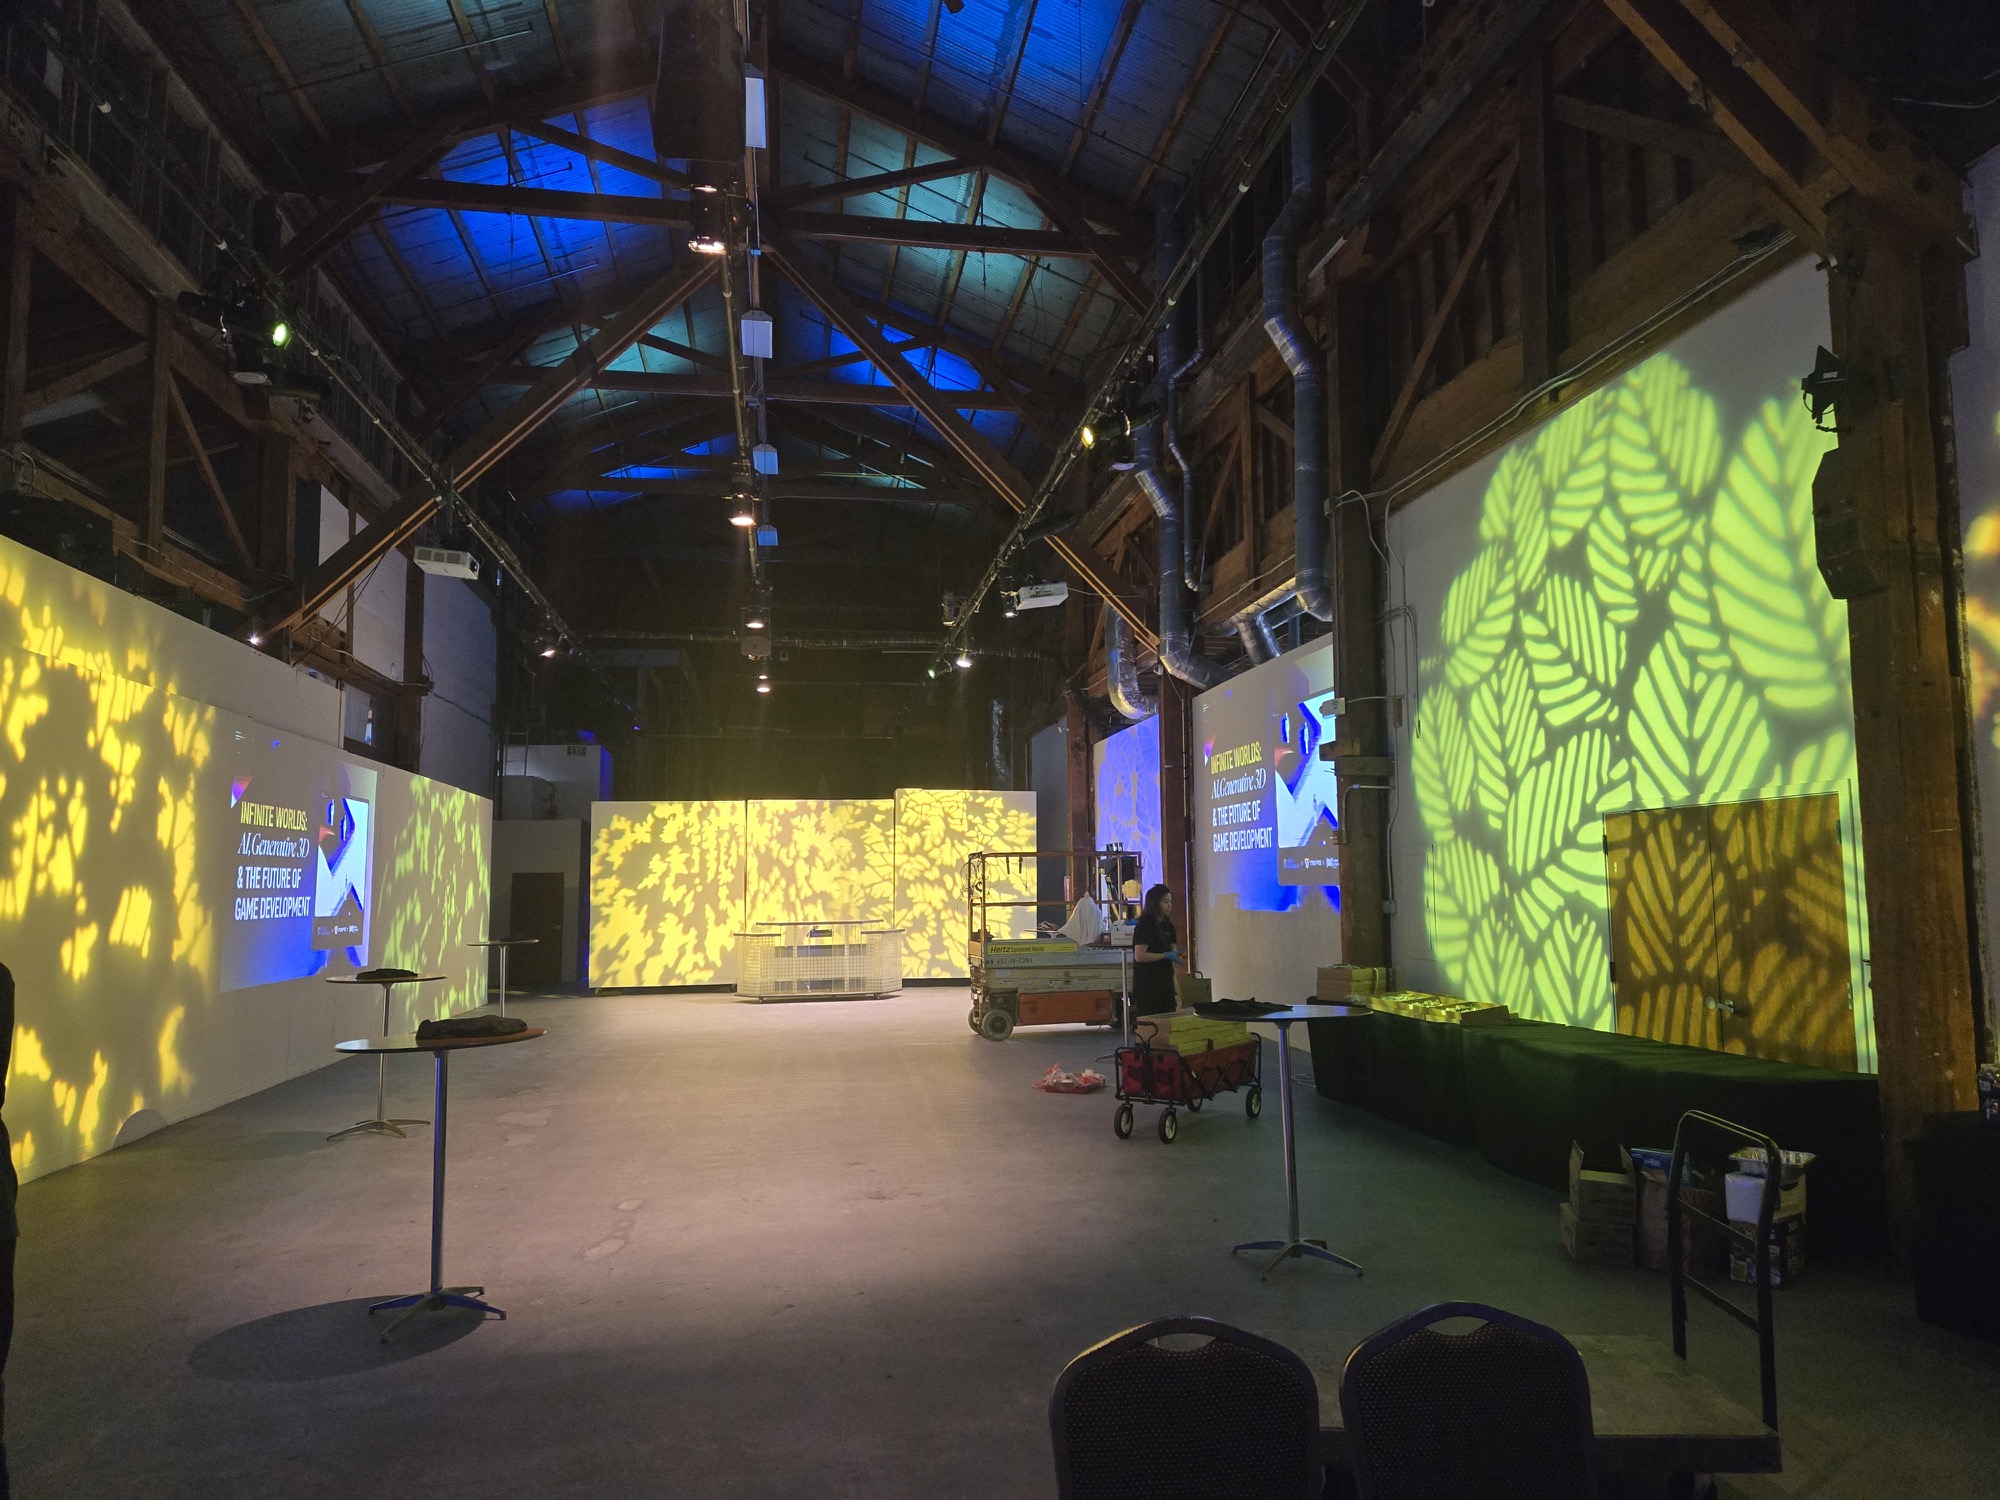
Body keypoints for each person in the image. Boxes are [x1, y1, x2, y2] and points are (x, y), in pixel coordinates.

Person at [1128, 884, 1181, 1020]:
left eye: (1170, 902)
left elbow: (1173, 949)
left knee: (1168, 1018)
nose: (1169, 906)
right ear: (1155, 903)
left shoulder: (1168, 925)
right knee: (1151, 1021)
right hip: (1148, 983)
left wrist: (1177, 955)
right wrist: (1164, 955)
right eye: (1165, 902)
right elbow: (1140, 955)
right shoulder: (1146, 924)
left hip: (1165, 981)